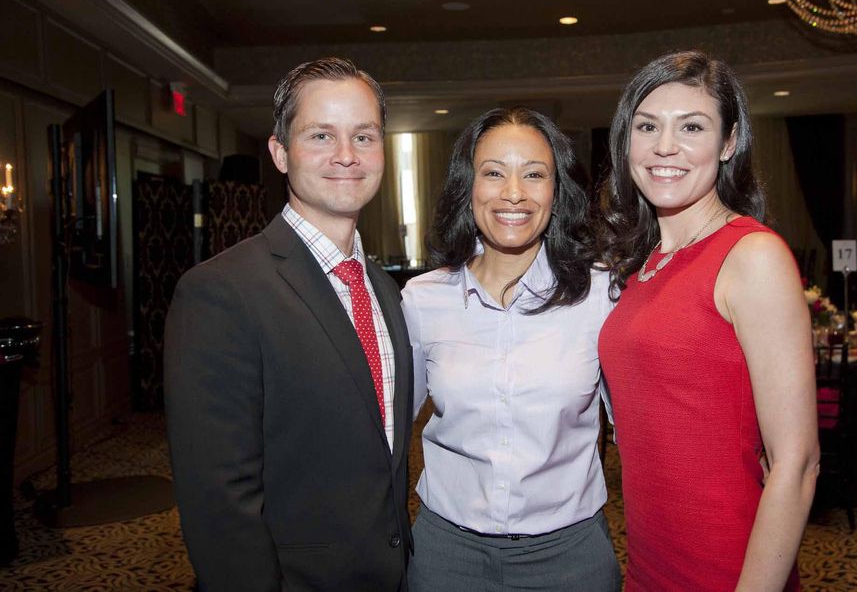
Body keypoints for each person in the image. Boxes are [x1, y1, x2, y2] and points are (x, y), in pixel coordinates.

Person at [164, 57, 413, 591]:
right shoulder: (221, 291)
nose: (347, 155)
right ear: (280, 152)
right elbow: (218, 498)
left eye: (364, 137)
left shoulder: (384, 290)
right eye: (321, 135)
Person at [596, 51, 819, 591]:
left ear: (728, 143)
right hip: (650, 563)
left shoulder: (751, 255)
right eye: (647, 127)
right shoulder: (641, 264)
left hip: (730, 566)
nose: (664, 147)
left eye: (691, 127)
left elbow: (798, 461)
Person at [402, 107, 621, 591]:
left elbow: (641, 435)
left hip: (570, 558)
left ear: (557, 190)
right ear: (469, 187)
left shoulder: (601, 298)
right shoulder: (423, 300)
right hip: (447, 557)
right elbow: (387, 434)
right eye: (494, 173)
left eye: (535, 174)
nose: (514, 193)